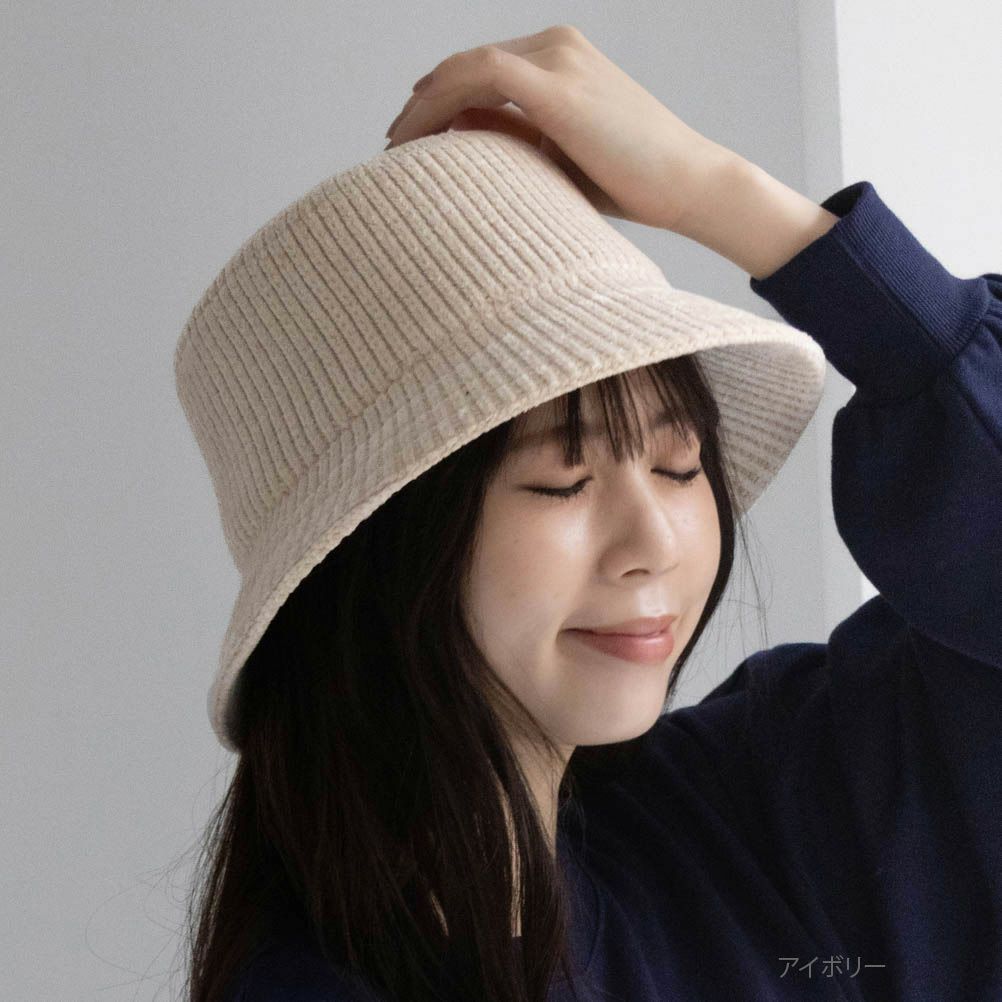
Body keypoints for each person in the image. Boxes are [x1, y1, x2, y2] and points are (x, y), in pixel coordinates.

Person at [174, 25, 1002, 1002]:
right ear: (375, 545)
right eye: (563, 481)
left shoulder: (747, 817)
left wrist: (722, 194)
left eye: (679, 465)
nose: (655, 543)